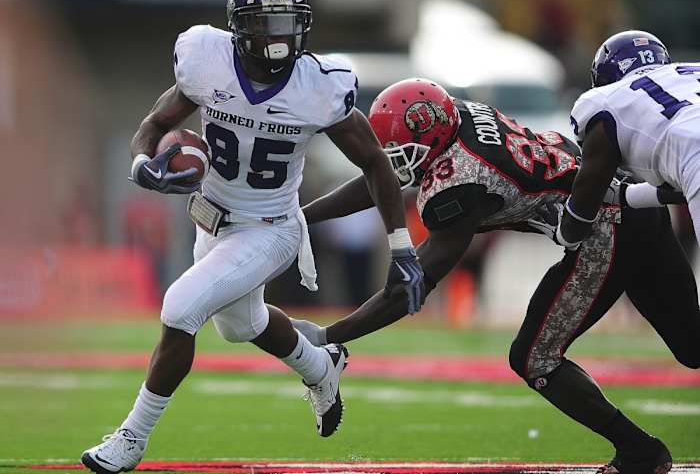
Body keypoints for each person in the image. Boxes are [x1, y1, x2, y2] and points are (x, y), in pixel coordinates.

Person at [81, 0, 424, 474]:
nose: (279, 36)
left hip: (271, 227)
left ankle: (132, 437)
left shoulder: (317, 87)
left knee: (180, 308)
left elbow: (374, 161)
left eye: (288, 22)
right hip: (211, 221)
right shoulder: (207, 62)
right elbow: (154, 125)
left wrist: (400, 246)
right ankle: (321, 366)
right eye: (266, 23)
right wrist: (142, 167)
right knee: (244, 325)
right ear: (240, 28)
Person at [292, 78, 700, 474]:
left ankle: (639, 453)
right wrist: (302, 218)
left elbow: (408, 289)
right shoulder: (462, 116)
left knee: (533, 359)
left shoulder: (457, 183)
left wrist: (331, 337)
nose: (392, 162)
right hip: (637, 204)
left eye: (398, 152)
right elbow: (382, 179)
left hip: (605, 229)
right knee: (692, 345)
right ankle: (641, 452)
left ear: (429, 140)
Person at [557, 30, 700, 252]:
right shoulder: (691, 72)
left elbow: (584, 205)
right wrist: (627, 196)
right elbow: (684, 185)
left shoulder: (606, 100)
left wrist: (565, 234)